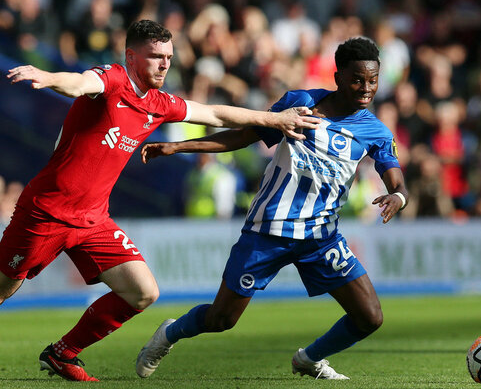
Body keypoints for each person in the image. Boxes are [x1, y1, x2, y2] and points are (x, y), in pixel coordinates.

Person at [0, 19, 320, 383]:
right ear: (131, 55)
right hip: (46, 212)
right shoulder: (115, 80)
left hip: (92, 219)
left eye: (169, 57)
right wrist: (51, 77)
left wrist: (275, 119)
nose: (165, 65)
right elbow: (82, 82)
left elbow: (215, 113)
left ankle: (62, 352)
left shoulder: (159, 104)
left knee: (143, 292)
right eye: (156, 57)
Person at [136, 37, 408, 380]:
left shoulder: (375, 131)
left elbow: (398, 182)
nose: (366, 88)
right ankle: (168, 334)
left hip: (321, 238)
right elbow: (244, 135)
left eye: (373, 80)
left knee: (369, 317)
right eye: (357, 79)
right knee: (222, 320)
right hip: (268, 230)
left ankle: (308, 359)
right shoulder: (301, 103)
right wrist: (179, 147)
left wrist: (397, 198)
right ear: (337, 77)